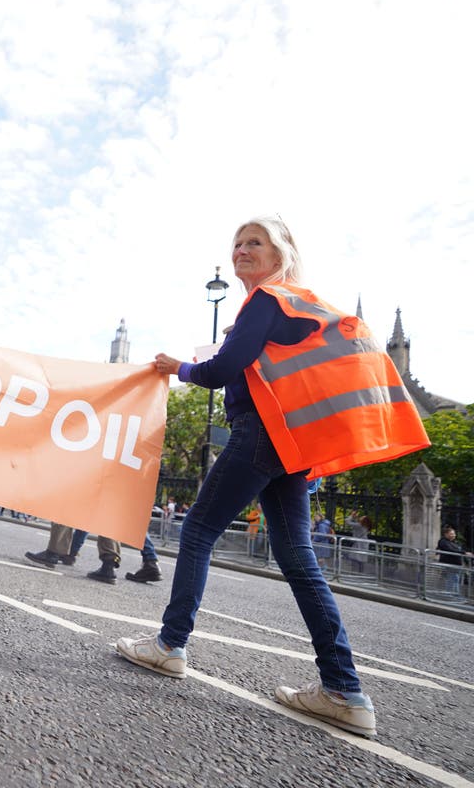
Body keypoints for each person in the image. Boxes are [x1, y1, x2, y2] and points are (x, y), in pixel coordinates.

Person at [116, 215, 428, 739]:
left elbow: (222, 369)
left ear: (280, 253)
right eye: (237, 243)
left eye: (253, 242)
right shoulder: (293, 304)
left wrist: (179, 368)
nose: (241, 251)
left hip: (261, 435)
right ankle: (344, 691)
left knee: (196, 532)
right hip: (291, 446)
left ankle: (170, 645)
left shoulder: (267, 299)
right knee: (298, 559)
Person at [436, 526, 472, 594]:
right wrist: (464, 552)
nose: (453, 535)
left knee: (455, 580)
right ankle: (450, 595)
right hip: (450, 564)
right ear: (446, 534)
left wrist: (465, 554)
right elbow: (450, 550)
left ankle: (454, 595)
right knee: (452, 579)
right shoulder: (443, 541)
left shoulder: (453, 542)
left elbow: (458, 550)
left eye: (454, 534)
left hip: (455, 565)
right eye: (451, 534)